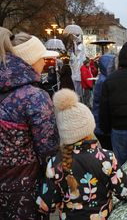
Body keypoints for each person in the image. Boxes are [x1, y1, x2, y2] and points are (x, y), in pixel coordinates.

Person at [36, 89, 127, 220]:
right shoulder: (106, 157)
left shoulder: (54, 164)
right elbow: (124, 192)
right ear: (89, 127)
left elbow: (45, 205)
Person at [0, 27, 59, 219]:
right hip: (23, 191)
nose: (45, 62)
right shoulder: (34, 97)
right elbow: (48, 149)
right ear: (30, 60)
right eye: (42, 57)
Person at [92, 54, 116, 150]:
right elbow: (104, 105)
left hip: (102, 121)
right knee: (108, 149)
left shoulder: (104, 78)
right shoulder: (104, 81)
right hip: (102, 124)